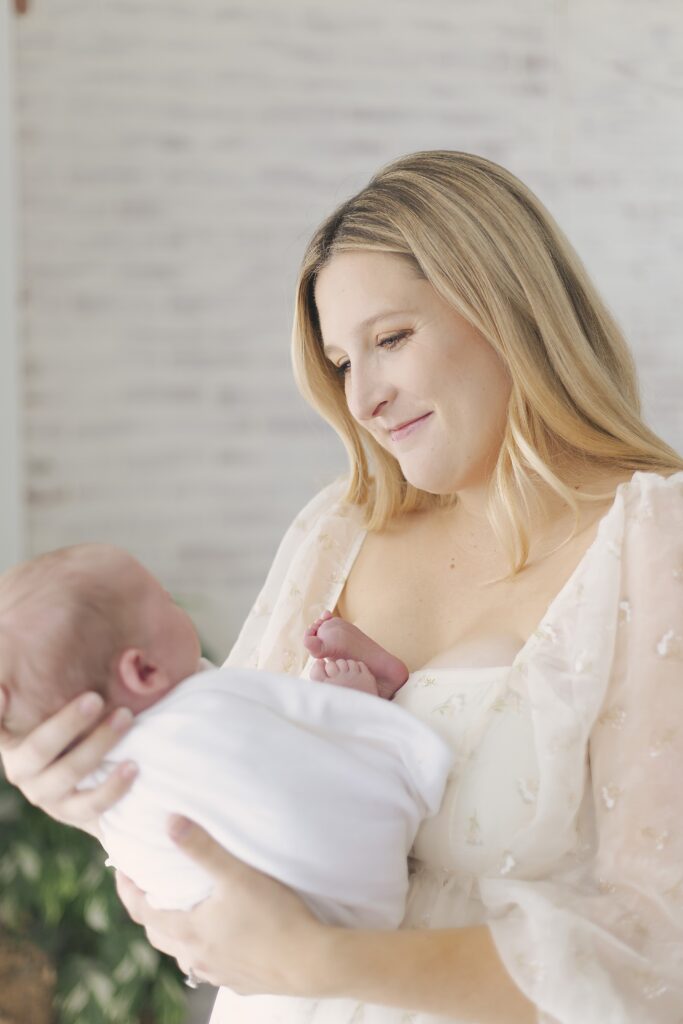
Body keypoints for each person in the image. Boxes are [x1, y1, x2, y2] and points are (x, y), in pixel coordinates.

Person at [1, 150, 682, 1024]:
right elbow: (208, 875)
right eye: (339, 363)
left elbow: (660, 945)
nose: (362, 399)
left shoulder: (654, 541)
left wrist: (324, 960)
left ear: (509, 309)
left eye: (390, 340)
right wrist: (89, 794)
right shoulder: (341, 527)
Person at [0, 543, 450, 927]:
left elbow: (160, 890)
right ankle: (370, 696)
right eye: (168, 602)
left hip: (256, 944)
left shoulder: (102, 788)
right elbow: (299, 727)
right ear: (143, 669)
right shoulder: (207, 710)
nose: (179, 607)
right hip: (354, 879)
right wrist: (354, 705)